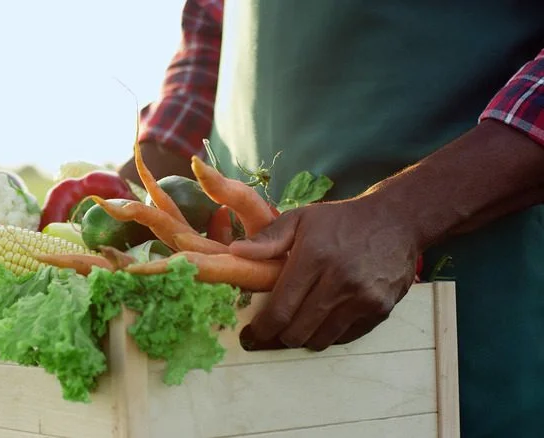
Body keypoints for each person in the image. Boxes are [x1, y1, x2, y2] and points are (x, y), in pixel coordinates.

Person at [118, 1, 544, 436]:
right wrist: (123, 198)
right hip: (243, 307)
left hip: (470, 291)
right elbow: (211, 33)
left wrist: (401, 214)